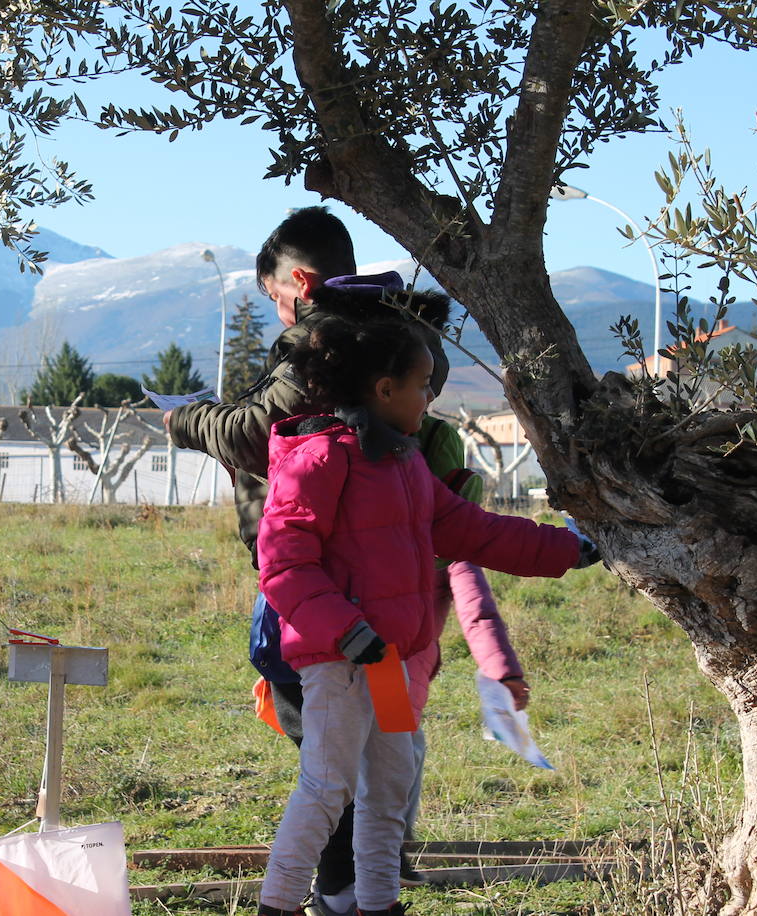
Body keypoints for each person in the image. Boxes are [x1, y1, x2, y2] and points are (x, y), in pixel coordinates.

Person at [167, 207, 525, 916]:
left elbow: (253, 447)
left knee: (333, 771)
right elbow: (471, 545)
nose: (280, 315)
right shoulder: (404, 358)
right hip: (400, 610)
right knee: (379, 763)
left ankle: (328, 895)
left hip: (332, 615)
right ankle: (365, 893)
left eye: (276, 299)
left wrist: (185, 421)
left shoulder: (328, 358)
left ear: (299, 281)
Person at [253, 314, 595, 916]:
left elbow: (473, 531)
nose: (430, 396)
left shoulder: (406, 463)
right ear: (385, 390)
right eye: (423, 384)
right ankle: (276, 906)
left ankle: (379, 905)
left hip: (386, 662)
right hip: (340, 662)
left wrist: (571, 549)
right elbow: (282, 564)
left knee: (387, 791)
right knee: (327, 788)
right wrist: (346, 630)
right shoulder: (318, 461)